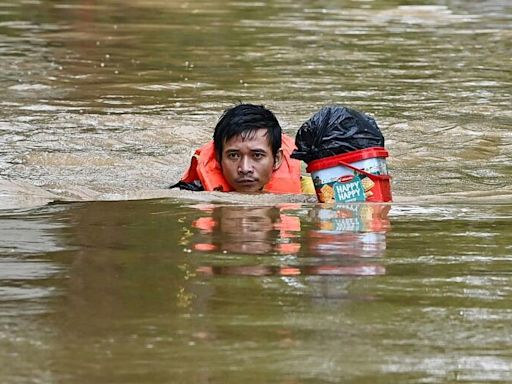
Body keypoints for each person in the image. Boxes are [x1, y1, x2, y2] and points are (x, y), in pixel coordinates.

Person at [172, 103, 303, 193]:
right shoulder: (191, 192)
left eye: (257, 155)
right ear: (218, 158)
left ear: (277, 159)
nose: (245, 169)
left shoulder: (310, 192)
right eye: (233, 155)